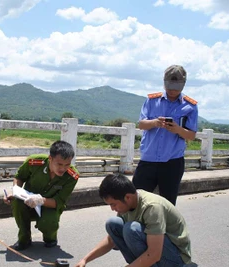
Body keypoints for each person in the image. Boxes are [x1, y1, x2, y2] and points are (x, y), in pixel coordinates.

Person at [75, 173, 192, 267]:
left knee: (131, 229)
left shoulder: (152, 207)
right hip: (157, 253)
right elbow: (111, 241)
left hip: (176, 259)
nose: (112, 209)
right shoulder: (128, 205)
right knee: (113, 224)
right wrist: (85, 260)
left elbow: (155, 254)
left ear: (127, 197)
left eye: (114, 204)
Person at [132, 65, 198, 205]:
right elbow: (141, 124)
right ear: (164, 83)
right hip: (148, 160)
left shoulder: (190, 106)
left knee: (167, 204)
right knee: (136, 201)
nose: (173, 91)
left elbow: (191, 135)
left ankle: (164, 227)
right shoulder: (151, 100)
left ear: (183, 85)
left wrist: (177, 129)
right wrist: (155, 122)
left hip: (172, 161)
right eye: (169, 87)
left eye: (176, 88)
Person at [4, 140, 80, 250]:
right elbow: (20, 177)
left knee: (48, 224)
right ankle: (24, 239)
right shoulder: (34, 162)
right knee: (17, 202)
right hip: (27, 201)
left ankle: (51, 238)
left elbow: (59, 201)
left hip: (49, 206)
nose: (63, 168)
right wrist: (14, 191)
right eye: (59, 164)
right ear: (50, 158)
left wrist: (40, 200)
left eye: (67, 165)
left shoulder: (72, 176)